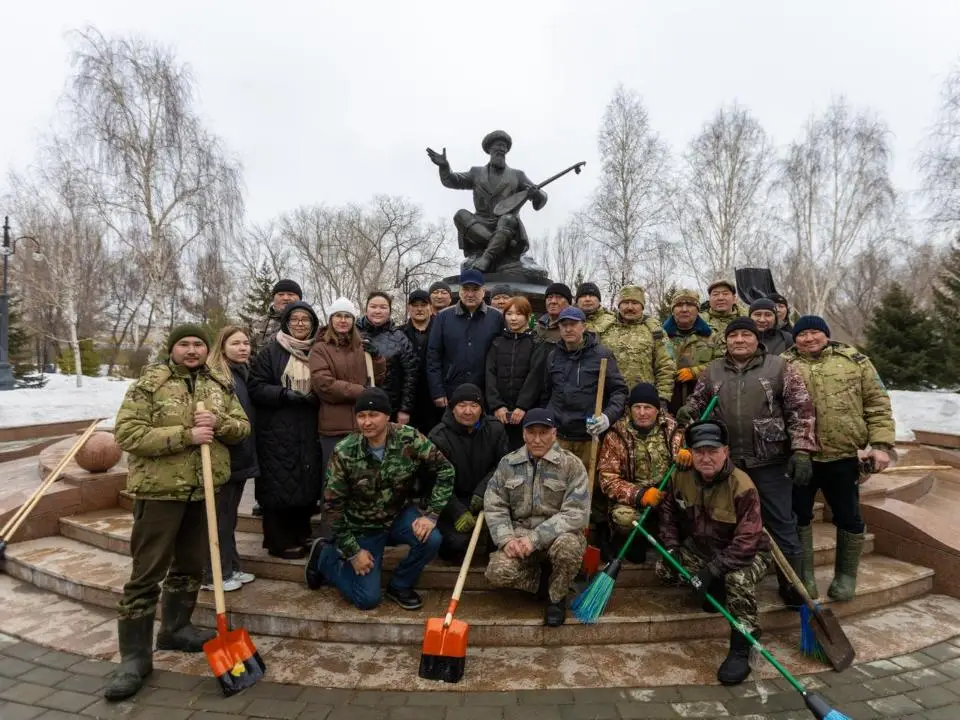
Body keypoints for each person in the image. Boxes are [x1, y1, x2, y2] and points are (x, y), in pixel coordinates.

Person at [106, 324, 250, 701]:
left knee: (190, 564)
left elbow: (242, 428)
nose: (191, 350)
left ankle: (176, 628)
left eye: (197, 344)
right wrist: (186, 436)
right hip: (160, 493)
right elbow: (127, 434)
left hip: (203, 491)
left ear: (207, 349)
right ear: (172, 348)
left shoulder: (219, 384)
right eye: (184, 344)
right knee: (146, 571)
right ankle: (134, 658)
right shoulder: (149, 383)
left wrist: (220, 424)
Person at [678, 317, 817, 608]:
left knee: (781, 523)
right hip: (726, 466)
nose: (739, 340)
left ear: (757, 339)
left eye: (746, 334)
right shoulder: (714, 370)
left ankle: (792, 585)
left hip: (770, 461)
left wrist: (802, 450)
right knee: (721, 525)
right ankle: (717, 580)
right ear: (726, 340)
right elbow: (698, 401)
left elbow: (800, 409)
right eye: (734, 335)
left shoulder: (779, 367)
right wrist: (687, 412)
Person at [305, 388, 456, 610]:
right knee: (366, 600)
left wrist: (431, 515)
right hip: (362, 526)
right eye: (361, 416)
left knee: (431, 538)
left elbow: (445, 470)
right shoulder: (345, 452)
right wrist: (354, 552)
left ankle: (400, 585)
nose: (367, 422)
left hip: (397, 516)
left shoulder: (409, 438)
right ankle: (325, 558)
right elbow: (333, 507)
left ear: (387, 416)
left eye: (373, 415)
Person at [782, 316, 896, 601]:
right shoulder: (781, 364)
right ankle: (804, 574)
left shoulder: (854, 361)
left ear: (826, 335)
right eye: (802, 334)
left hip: (843, 455)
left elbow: (877, 403)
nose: (808, 338)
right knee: (799, 515)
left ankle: (846, 575)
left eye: (814, 332)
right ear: (794, 338)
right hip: (800, 457)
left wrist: (881, 445)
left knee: (848, 516)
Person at [656, 420, 771, 686]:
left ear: (725, 452)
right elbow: (668, 515)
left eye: (712, 451)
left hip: (746, 555)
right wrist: (672, 547)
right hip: (702, 550)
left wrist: (712, 572)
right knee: (665, 569)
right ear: (691, 453)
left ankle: (742, 644)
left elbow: (746, 542)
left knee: (737, 581)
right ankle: (716, 591)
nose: (705, 458)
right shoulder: (680, 476)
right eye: (699, 452)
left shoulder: (742, 486)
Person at [484, 408, 589, 626]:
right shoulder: (508, 464)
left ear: (554, 433)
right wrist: (506, 539)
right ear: (523, 434)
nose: (537, 439)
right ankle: (544, 581)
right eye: (532, 432)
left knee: (569, 548)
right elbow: (495, 504)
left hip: (557, 536)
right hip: (519, 535)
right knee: (496, 572)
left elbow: (576, 513)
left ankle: (556, 597)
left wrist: (536, 539)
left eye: (544, 432)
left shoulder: (571, 465)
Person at [249, 301, 323, 559]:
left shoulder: (319, 350)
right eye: (295, 319)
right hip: (277, 428)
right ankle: (279, 540)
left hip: (308, 425)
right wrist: (284, 393)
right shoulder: (271, 352)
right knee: (279, 483)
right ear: (286, 323)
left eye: (306, 319)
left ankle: (301, 533)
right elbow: (255, 386)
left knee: (304, 480)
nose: (300, 324)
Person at [427, 130, 547, 273]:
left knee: (508, 219)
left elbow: (541, 198)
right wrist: (444, 166)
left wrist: (537, 194)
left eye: (504, 147)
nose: (501, 149)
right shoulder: (476, 173)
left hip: (506, 224)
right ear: (489, 149)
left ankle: (487, 257)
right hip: (481, 225)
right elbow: (453, 181)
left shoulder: (517, 175)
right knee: (460, 215)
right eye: (498, 146)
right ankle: (500, 246)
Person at [596, 383, 686, 562]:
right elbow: (607, 479)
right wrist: (640, 495)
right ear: (630, 410)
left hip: (667, 498)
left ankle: (669, 539)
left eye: (648, 407)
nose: (642, 412)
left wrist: (688, 457)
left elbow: (693, 468)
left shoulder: (673, 430)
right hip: (635, 502)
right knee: (624, 518)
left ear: (657, 410)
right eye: (637, 407)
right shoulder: (616, 434)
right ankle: (635, 539)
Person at [201, 325, 260, 593]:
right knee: (219, 518)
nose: (242, 348)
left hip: (240, 455)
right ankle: (213, 573)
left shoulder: (242, 374)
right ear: (222, 346)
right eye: (235, 343)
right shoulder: (216, 378)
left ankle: (231, 566)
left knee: (230, 517)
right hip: (223, 456)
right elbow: (216, 417)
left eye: (246, 343)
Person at [428, 383, 509, 562]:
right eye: (462, 405)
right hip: (452, 499)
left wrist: (482, 493)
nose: (468, 411)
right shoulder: (438, 436)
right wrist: (457, 511)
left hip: (489, 496)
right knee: (455, 544)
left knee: (500, 541)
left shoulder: (495, 429)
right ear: (452, 407)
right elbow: (435, 480)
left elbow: (503, 465)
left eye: (474, 405)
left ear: (481, 409)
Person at [544, 306, 628, 473]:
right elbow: (546, 392)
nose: (568, 329)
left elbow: (620, 391)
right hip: (559, 437)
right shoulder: (553, 356)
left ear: (583, 326)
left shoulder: (601, 355)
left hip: (589, 438)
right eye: (564, 325)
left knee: (587, 491)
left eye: (573, 324)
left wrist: (607, 417)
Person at [309, 297, 387, 475]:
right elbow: (324, 385)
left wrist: (377, 359)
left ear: (353, 320)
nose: (343, 320)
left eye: (347, 316)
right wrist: (362, 392)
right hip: (334, 427)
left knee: (363, 479)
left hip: (363, 426)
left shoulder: (361, 347)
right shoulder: (320, 349)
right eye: (338, 316)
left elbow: (377, 379)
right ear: (331, 319)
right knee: (334, 480)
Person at [426, 269, 503, 405]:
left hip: (486, 391)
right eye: (466, 289)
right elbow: (433, 356)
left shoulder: (496, 317)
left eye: (475, 289)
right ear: (460, 291)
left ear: (483, 292)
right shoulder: (443, 317)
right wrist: (437, 391)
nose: (470, 294)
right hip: (452, 390)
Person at [485, 295, 548, 451]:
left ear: (527, 316)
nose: (513, 318)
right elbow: (490, 374)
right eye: (509, 314)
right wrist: (497, 405)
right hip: (500, 413)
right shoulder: (497, 343)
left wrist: (522, 406)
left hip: (526, 413)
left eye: (519, 314)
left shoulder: (536, 343)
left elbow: (535, 377)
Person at [601, 285, 675, 406]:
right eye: (625, 303)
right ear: (619, 305)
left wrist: (662, 399)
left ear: (642, 306)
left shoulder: (656, 331)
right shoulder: (605, 330)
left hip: (643, 403)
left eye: (635, 303)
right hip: (610, 402)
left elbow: (666, 366)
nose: (629, 307)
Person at [356, 291, 418, 425]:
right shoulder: (353, 332)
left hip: (390, 407)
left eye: (383, 307)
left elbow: (411, 375)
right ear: (366, 308)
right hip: (357, 405)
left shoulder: (400, 338)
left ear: (389, 311)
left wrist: (405, 409)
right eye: (373, 306)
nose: (378, 311)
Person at [663, 288, 719, 415]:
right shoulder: (660, 336)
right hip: (667, 401)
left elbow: (722, 364)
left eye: (689, 305)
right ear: (673, 310)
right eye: (679, 305)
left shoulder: (712, 335)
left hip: (702, 402)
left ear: (698, 310)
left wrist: (695, 372)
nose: (684, 309)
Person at [401, 289, 439, 433]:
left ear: (430, 307)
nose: (419, 309)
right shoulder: (400, 333)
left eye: (423, 305)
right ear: (408, 308)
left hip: (436, 400)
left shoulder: (441, 331)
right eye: (415, 305)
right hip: (409, 402)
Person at [252, 279, 303, 353]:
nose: (285, 298)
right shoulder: (257, 324)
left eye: (290, 294)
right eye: (281, 294)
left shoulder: (309, 323)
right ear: (273, 298)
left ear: (299, 298)